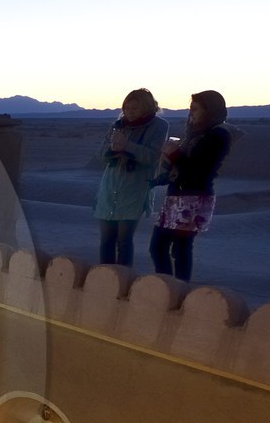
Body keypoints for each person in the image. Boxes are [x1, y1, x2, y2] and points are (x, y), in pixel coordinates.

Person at [150, 90, 233, 281]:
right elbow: (182, 166)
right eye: (190, 109)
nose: (191, 114)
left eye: (195, 109)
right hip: (178, 196)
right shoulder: (196, 134)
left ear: (209, 110)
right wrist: (169, 159)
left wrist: (174, 155)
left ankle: (175, 291)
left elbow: (198, 170)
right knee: (162, 247)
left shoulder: (217, 136)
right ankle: (168, 288)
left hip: (193, 199)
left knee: (177, 248)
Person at [94, 88, 169, 267]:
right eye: (126, 108)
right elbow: (101, 155)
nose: (129, 112)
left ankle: (122, 280)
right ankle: (104, 278)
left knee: (124, 240)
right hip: (110, 187)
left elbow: (152, 156)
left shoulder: (159, 125)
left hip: (134, 189)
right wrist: (113, 149)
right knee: (106, 240)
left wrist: (127, 146)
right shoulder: (118, 125)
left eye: (134, 108)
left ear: (146, 107)